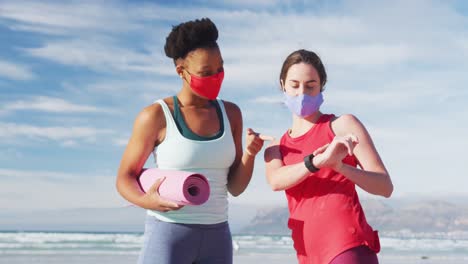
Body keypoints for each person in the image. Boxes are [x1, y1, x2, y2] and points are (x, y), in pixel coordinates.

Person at [116, 18, 271, 264]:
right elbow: (125, 177)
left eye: (220, 68)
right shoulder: (156, 115)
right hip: (168, 234)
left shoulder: (231, 113)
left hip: (218, 236)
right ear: (181, 72)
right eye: (206, 73)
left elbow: (235, 187)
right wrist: (147, 201)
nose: (216, 77)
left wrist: (249, 155)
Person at [264, 49, 393, 264]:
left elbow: (385, 186)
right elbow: (276, 181)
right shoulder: (276, 147)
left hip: (347, 247)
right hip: (307, 254)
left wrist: (341, 167)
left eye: (310, 85)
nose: (301, 93)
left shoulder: (342, 126)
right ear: (283, 84)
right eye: (294, 85)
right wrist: (317, 162)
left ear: (321, 85)